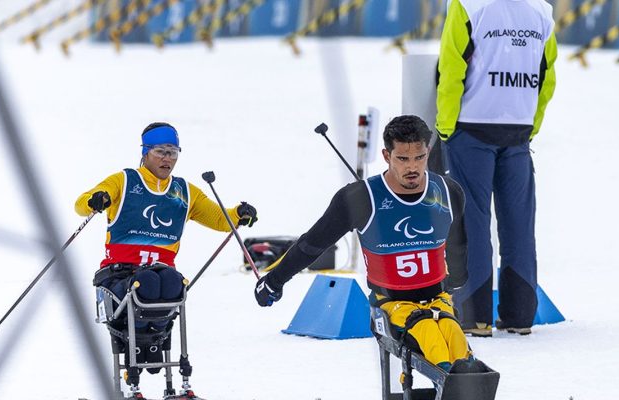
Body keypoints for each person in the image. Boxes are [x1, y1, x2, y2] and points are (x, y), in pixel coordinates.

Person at [254, 115, 473, 372]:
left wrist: (456, 280)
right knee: (435, 345)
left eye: (420, 157)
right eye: (402, 158)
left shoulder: (448, 192)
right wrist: (274, 280)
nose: (412, 167)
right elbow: (312, 244)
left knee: (458, 346)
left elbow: (458, 247)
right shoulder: (361, 198)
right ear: (386, 155)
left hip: (437, 300)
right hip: (392, 305)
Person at [76, 122, 257, 394]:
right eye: (161, 151)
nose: (167, 159)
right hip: (120, 275)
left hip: (161, 273)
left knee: (174, 283)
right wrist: (95, 199)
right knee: (147, 283)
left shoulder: (184, 192)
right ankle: (136, 352)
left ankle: (155, 343)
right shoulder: (124, 182)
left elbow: (220, 219)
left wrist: (238, 213)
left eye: (173, 152)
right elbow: (80, 203)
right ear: (146, 152)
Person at [432, 0, 558, 337]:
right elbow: (547, 76)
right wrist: (531, 126)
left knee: (471, 222)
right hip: (517, 130)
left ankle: (476, 317)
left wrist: (445, 127)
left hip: (470, 128)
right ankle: (519, 316)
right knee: (519, 225)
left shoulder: (467, 5)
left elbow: (451, 68)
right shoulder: (541, 10)